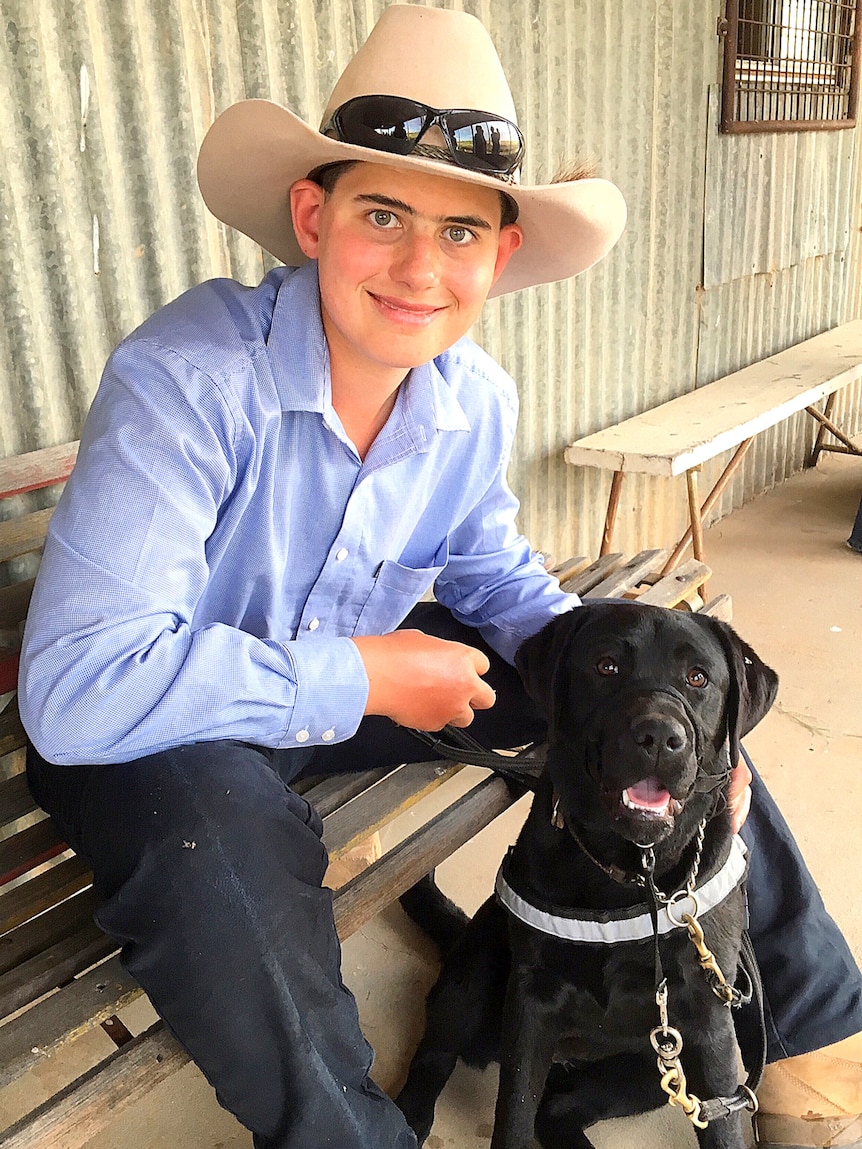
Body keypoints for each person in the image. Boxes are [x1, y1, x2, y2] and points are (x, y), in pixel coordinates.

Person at [17, 6, 862, 1148]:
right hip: (161, 716)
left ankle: (810, 1037)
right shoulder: (190, 379)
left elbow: (493, 573)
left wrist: (607, 671)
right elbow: (78, 691)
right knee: (215, 846)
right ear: (312, 219)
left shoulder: (470, 398)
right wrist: (361, 675)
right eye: (383, 216)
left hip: (346, 685)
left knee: (671, 710)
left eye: (460, 232)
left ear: (499, 254)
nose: (422, 267)